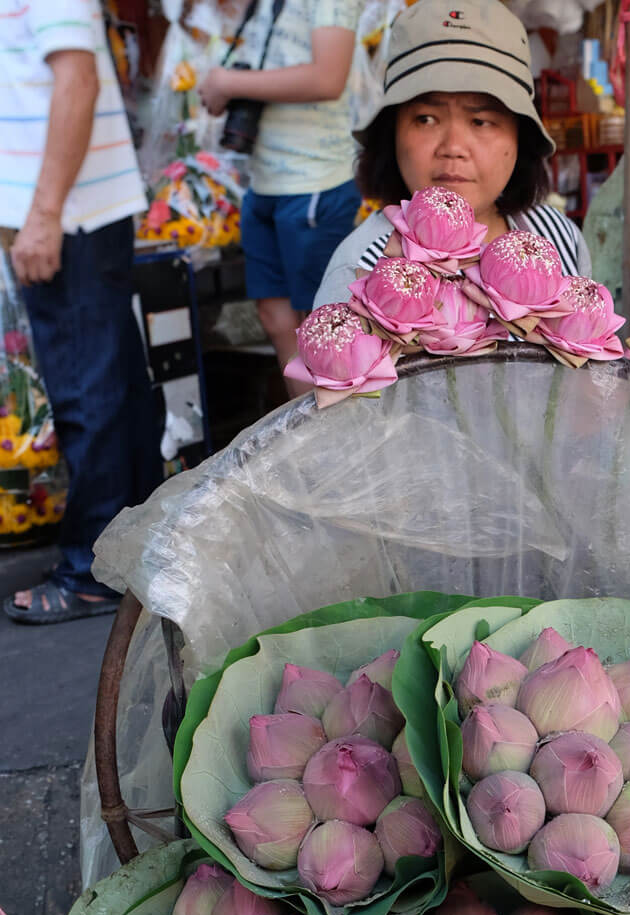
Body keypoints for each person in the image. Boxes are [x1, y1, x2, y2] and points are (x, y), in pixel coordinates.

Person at [2, 1, 161, 626]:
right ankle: (133, 556)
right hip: (76, 215)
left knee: (87, 394)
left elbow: (78, 78)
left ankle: (94, 573)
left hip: (72, 219)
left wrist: (45, 216)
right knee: (114, 387)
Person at [313, 0, 591, 309]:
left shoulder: (556, 239)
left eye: (480, 121)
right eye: (426, 119)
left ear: (520, 138)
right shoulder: (359, 269)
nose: (453, 148)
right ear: (391, 133)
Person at [198, 0, 361, 395]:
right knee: (275, 318)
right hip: (264, 180)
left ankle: (341, 441)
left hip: (314, 181)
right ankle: (305, 437)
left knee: (323, 328)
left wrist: (229, 83)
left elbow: (328, 77)